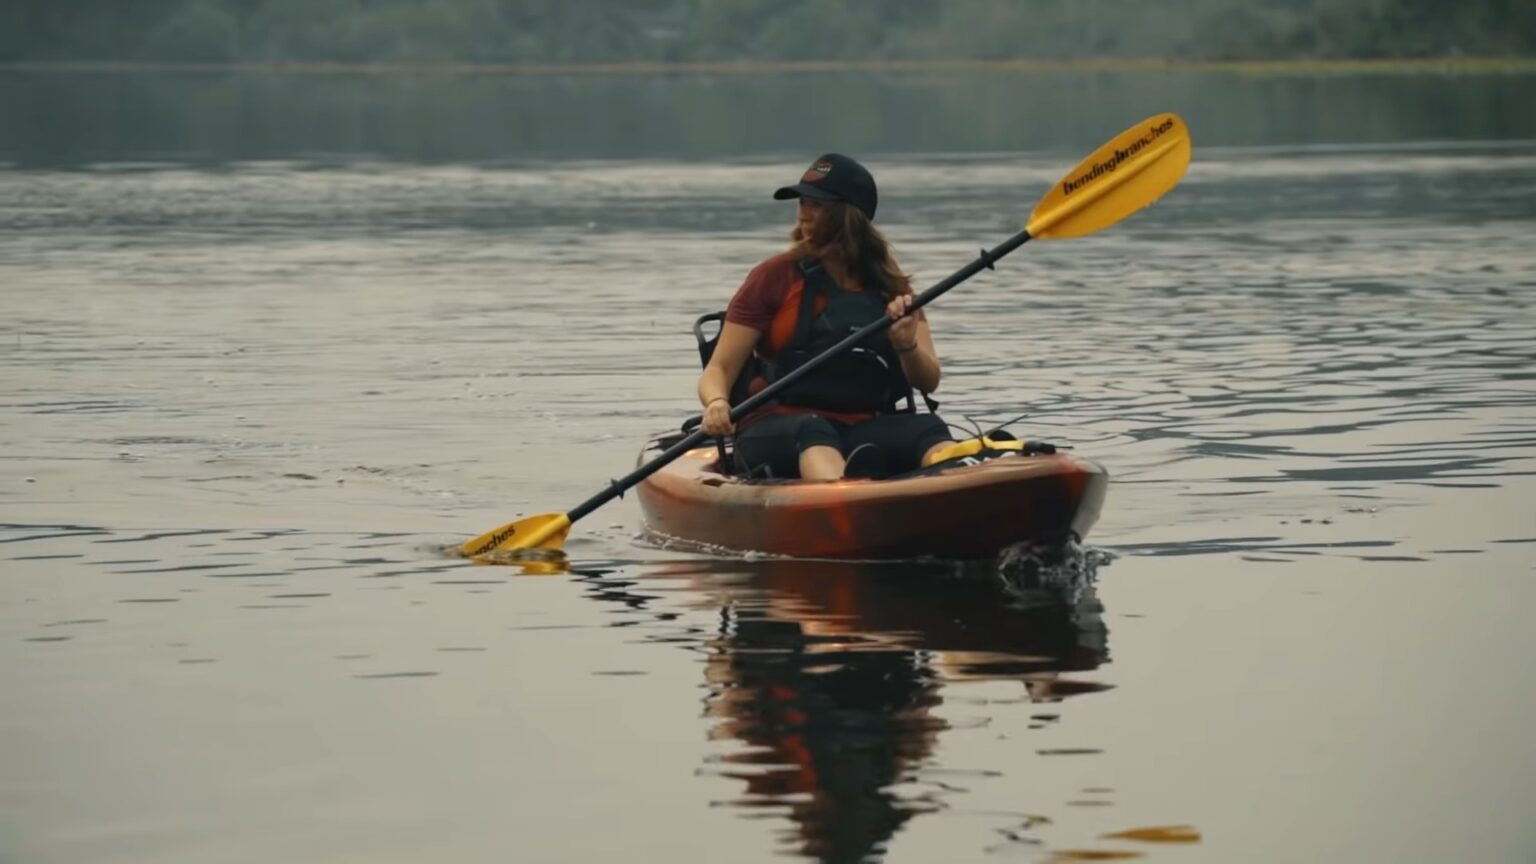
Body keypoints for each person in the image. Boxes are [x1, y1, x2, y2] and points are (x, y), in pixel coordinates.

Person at [697, 153, 953, 480]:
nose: (803, 215)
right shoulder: (774, 276)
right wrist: (717, 402)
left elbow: (928, 380)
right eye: (802, 203)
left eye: (816, 205)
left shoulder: (892, 287)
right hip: (779, 426)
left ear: (848, 216)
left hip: (863, 428)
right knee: (814, 430)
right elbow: (718, 369)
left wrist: (906, 347)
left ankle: (958, 486)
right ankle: (844, 496)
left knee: (926, 427)